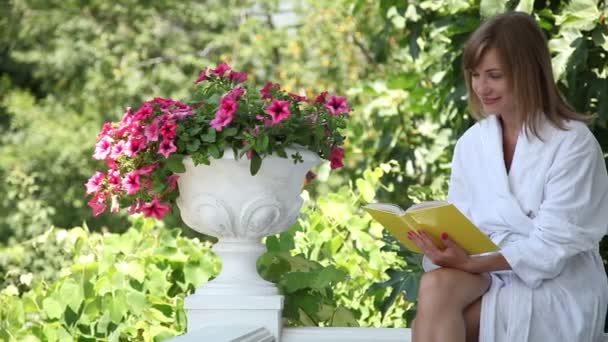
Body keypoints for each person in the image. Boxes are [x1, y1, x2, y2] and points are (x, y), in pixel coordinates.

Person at [407, 11, 608, 342]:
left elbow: (553, 246)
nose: (481, 88)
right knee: (435, 284)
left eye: (494, 75)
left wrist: (472, 264)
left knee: (433, 323)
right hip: (488, 269)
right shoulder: (472, 143)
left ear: (527, 72)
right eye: (475, 75)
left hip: (555, 283)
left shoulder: (572, 143)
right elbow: (464, 223)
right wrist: (444, 246)